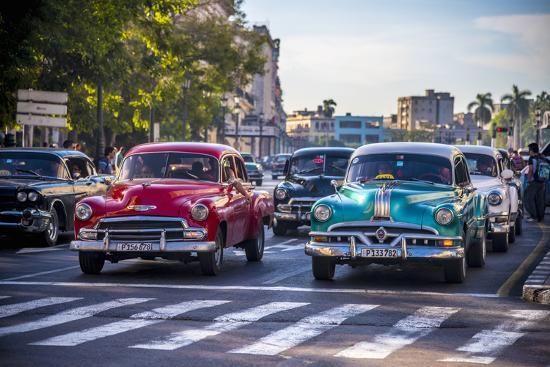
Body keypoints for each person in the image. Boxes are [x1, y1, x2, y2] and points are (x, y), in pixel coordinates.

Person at [524, 142, 547, 222]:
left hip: (535, 181)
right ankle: (541, 217)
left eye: (529, 149)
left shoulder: (531, 158)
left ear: (532, 150)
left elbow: (530, 170)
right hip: (543, 181)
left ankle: (533, 216)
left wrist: (529, 180)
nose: (528, 151)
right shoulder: (542, 157)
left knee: (529, 198)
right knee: (540, 199)